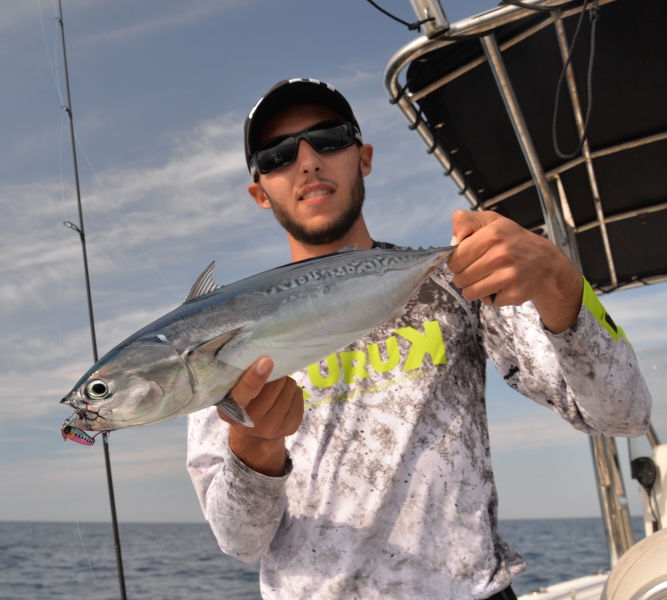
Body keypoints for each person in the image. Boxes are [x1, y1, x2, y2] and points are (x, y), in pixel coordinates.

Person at [186, 78, 652, 599]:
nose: (308, 161)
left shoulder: (459, 282)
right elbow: (239, 539)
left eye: (330, 138)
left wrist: (566, 286)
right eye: (277, 154)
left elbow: (625, 413)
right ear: (259, 192)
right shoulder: (218, 338)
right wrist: (253, 449)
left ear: (363, 157)